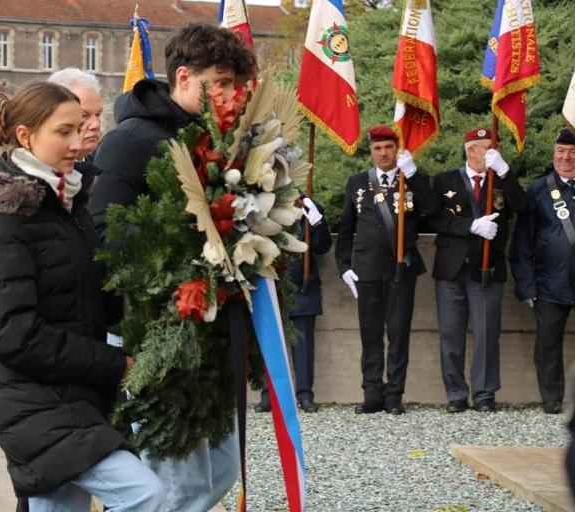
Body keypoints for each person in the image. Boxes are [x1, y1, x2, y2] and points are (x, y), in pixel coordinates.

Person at [0, 81, 165, 512]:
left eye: (83, 127)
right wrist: (115, 365)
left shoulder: (65, 204)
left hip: (70, 394)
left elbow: (89, 297)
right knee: (149, 495)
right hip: (33, 402)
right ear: (25, 136)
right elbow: (13, 334)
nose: (78, 142)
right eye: (64, 131)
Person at [88, 21, 256, 511]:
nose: (231, 95)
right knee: (176, 487)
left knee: (221, 473)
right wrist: (188, 241)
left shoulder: (213, 141)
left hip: (212, 334)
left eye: (237, 84)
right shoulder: (131, 140)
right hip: (154, 332)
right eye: (220, 82)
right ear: (184, 77)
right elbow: (103, 235)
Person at [335, 125, 434, 415]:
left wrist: (413, 174)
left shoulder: (412, 179)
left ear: (397, 149)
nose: (383, 154)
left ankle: (394, 395)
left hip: (401, 268)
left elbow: (432, 210)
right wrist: (344, 267)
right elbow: (345, 229)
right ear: (371, 152)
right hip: (366, 270)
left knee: (399, 333)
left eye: (388, 147)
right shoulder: (357, 183)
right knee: (370, 333)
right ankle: (372, 393)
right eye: (377, 148)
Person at [429, 128, 525, 413]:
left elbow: (523, 206)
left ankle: (484, 394)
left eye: (493, 147)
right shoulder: (446, 179)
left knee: (486, 335)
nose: (491, 152)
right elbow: (434, 218)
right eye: (485, 147)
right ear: (470, 150)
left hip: (487, 268)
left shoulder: (500, 180)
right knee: (451, 335)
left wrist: (505, 173)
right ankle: (456, 394)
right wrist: (469, 226)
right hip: (451, 270)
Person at [510, 127, 575, 415]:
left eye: (572, 153)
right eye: (561, 151)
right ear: (554, 154)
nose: (566, 157)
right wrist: (527, 286)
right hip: (550, 283)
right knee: (548, 346)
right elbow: (522, 243)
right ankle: (552, 399)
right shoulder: (538, 189)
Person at [257, 196, 332, 414]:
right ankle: (269, 394)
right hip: (273, 282)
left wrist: (317, 222)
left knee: (303, 345)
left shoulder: (309, 205)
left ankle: (305, 395)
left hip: (302, 285)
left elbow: (322, 247)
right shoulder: (265, 201)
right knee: (271, 343)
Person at [47, 68, 103, 162]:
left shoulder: (107, 166)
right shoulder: (30, 174)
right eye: (84, 115)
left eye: (98, 115)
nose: (96, 125)